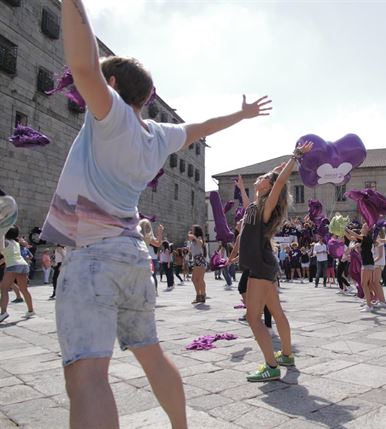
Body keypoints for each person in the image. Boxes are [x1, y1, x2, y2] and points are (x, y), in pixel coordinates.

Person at [38, 2, 272, 426]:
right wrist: (241, 115)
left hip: (94, 258)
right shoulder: (157, 136)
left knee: (86, 375)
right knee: (152, 354)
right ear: (146, 97)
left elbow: (82, 65)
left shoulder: (109, 117)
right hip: (133, 257)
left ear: (111, 85)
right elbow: (200, 128)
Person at [236, 141, 313, 382]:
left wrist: (296, 156)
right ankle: (287, 355)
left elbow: (280, 182)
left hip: (260, 264)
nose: (257, 179)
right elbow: (247, 217)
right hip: (262, 262)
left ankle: (271, 366)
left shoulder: (267, 205)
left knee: (252, 318)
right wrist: (241, 189)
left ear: (269, 186)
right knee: (277, 312)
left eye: (262, 178)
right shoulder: (254, 207)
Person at [0, 225, 35, 322]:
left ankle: (3, 313)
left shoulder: (4, 242)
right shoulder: (15, 243)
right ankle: (31, 310)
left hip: (12, 266)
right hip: (23, 265)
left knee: (4, 289)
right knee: (24, 289)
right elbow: (6, 257)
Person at [188, 225, 208, 304]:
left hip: (199, 259)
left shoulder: (199, 237)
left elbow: (200, 244)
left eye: (192, 229)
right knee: (194, 279)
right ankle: (199, 295)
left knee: (199, 279)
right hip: (196, 260)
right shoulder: (193, 241)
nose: (191, 230)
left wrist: (194, 237)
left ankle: (202, 295)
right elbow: (192, 250)